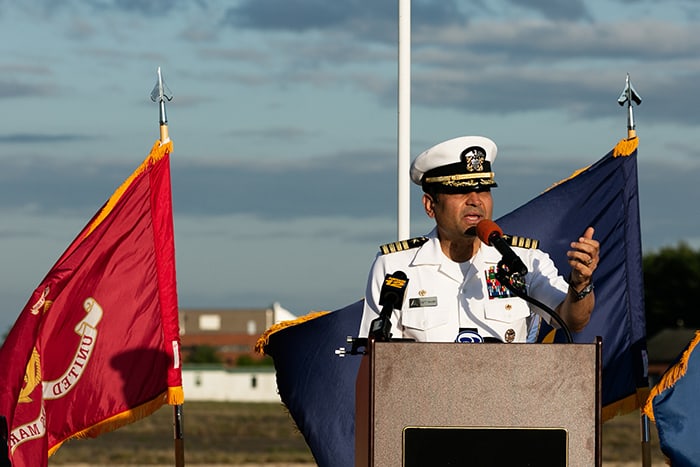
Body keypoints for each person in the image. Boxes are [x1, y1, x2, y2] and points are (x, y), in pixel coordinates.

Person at [358, 135, 599, 343]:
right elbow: (376, 362)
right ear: (430, 205)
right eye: (460, 190)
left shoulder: (523, 261)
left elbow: (572, 320)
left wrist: (581, 283)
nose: (475, 200)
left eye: (484, 188)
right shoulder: (396, 269)